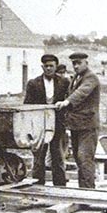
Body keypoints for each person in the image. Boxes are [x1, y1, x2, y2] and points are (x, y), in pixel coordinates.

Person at [55, 52, 100, 189]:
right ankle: (84, 190)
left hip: (88, 126)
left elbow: (81, 93)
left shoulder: (91, 77)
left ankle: (88, 191)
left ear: (86, 62)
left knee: (84, 158)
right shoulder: (76, 77)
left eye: (79, 63)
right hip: (76, 126)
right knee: (79, 159)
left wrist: (67, 102)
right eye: (74, 63)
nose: (76, 66)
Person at [24, 54, 69, 186]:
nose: (49, 68)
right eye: (46, 66)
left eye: (51, 66)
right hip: (39, 126)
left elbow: (69, 101)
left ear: (56, 67)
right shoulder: (33, 83)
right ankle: (38, 186)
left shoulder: (64, 82)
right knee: (39, 157)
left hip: (57, 124)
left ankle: (60, 187)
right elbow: (27, 105)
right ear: (42, 67)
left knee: (58, 157)